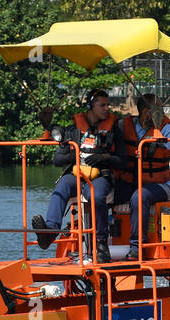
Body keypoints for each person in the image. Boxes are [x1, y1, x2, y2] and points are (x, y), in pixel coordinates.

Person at [32, 89, 125, 263]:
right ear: (90, 106)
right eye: (102, 105)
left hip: (100, 176)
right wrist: (75, 153)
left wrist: (105, 157)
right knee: (61, 187)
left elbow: (123, 160)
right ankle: (50, 232)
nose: (107, 108)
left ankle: (101, 242)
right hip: (76, 175)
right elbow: (57, 159)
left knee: (96, 195)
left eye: (108, 105)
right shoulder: (73, 130)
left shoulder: (114, 129)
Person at [114, 93, 170, 257]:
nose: (161, 113)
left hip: (159, 185)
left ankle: (137, 246)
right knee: (98, 194)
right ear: (146, 112)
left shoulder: (164, 126)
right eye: (157, 109)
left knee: (139, 196)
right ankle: (98, 243)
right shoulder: (123, 126)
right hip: (130, 182)